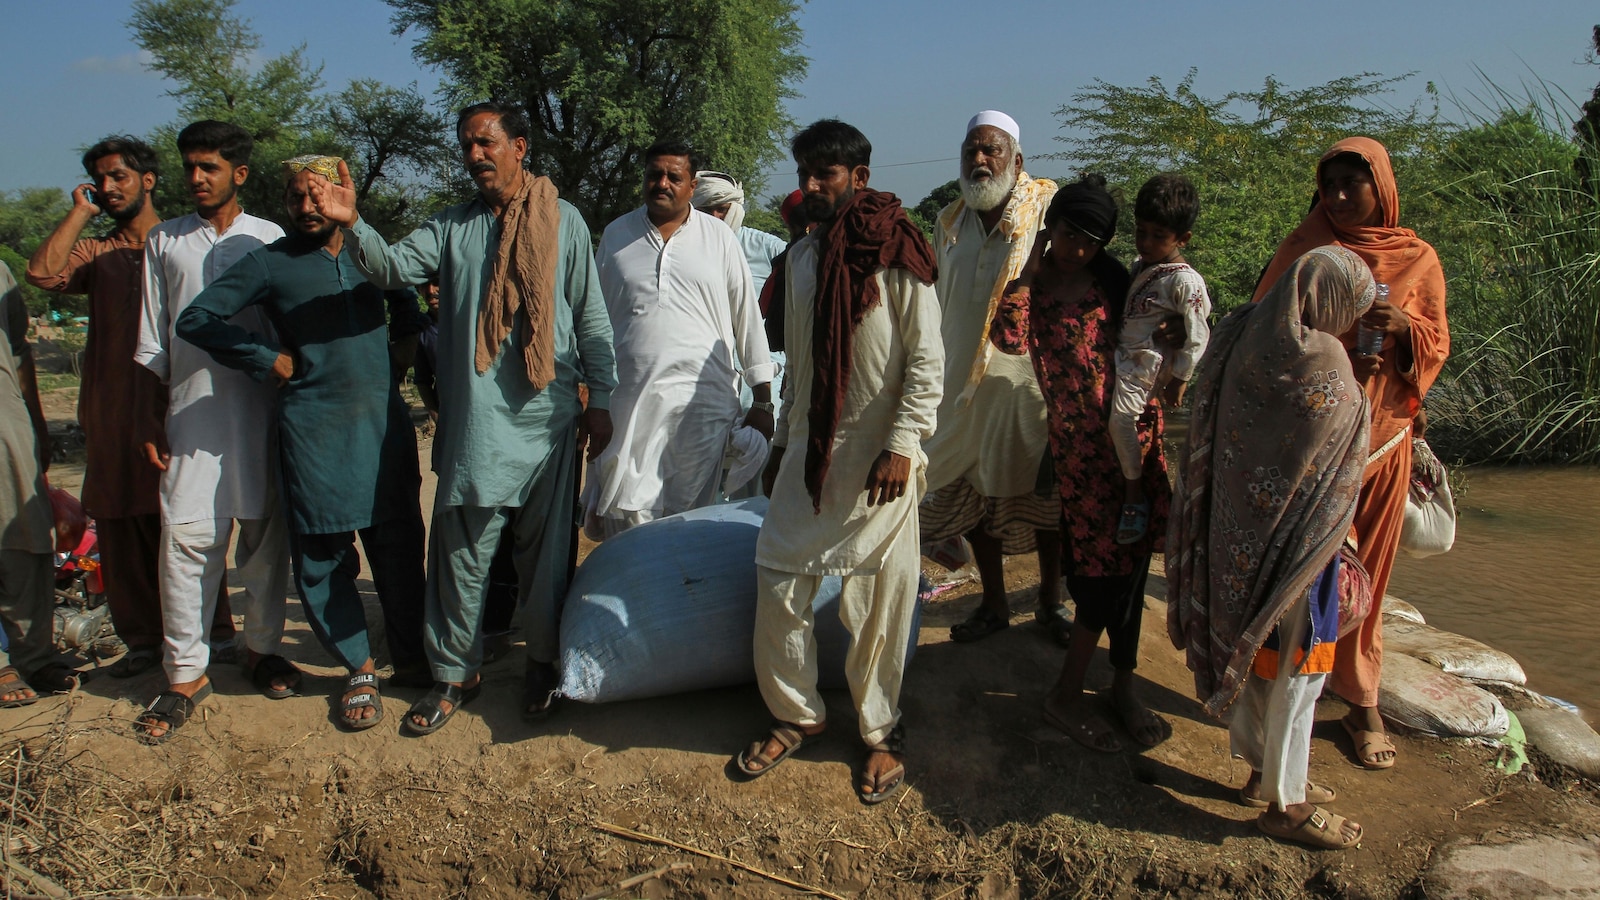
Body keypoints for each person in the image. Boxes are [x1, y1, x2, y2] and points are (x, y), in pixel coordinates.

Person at [308, 101, 617, 734]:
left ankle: (541, 660)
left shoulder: (566, 221)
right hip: (477, 422)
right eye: (466, 146)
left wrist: (602, 398)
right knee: (462, 556)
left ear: (520, 147)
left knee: (546, 555)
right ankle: (455, 673)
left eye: (486, 143)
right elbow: (392, 268)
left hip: (550, 418)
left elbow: (589, 315)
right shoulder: (451, 227)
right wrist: (352, 222)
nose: (475, 155)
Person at [175, 155, 433, 730]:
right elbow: (196, 319)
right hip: (313, 427)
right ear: (284, 206)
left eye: (319, 195)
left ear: (341, 198)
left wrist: (402, 355)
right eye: (296, 197)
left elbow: (405, 299)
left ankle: (412, 659)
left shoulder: (371, 255)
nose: (309, 206)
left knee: (396, 542)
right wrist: (266, 358)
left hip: (383, 426)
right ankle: (359, 665)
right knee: (323, 552)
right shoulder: (270, 263)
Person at [734, 119, 943, 804]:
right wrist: (787, 445)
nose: (811, 185)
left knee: (879, 599)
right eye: (804, 174)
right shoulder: (798, 261)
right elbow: (801, 368)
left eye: (825, 173)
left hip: (885, 460)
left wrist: (904, 446)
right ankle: (798, 714)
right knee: (777, 576)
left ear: (860, 177)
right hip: (815, 453)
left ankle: (880, 732)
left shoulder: (897, 250)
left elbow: (925, 361)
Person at [1251, 137, 1449, 770]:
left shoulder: (1416, 260)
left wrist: (1403, 332)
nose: (1336, 197)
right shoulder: (1304, 250)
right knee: (1301, 576)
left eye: (1350, 185)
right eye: (1328, 185)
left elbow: (1437, 342)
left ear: (1380, 188)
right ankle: (1285, 706)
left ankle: (1361, 699)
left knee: (1371, 578)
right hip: (1309, 443)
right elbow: (1261, 333)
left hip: (1384, 437)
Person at [1168, 245, 1375, 850]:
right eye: (1353, 307)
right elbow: (1336, 454)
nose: (1354, 320)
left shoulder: (1240, 333)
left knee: (1257, 655)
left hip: (1236, 539)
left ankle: (1264, 775)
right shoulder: (1326, 358)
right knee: (1302, 668)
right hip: (1299, 547)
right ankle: (1287, 806)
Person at [26, 136, 239, 677]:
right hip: (112, 411)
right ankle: (143, 641)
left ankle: (214, 634)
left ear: (147, 181)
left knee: (184, 521)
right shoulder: (97, 253)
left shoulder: (179, 243)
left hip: (180, 402)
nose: (108, 187)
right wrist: (79, 212)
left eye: (119, 176)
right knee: (119, 522)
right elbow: (44, 274)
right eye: (100, 179)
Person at [990, 176, 1169, 753]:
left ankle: (1121, 684)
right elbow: (1009, 341)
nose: (1079, 248)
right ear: (1050, 231)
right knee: (1096, 575)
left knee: (1134, 565)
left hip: (1138, 443)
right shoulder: (1033, 290)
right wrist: (1029, 275)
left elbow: (1162, 337)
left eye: (1092, 239)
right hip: (1082, 457)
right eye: (1069, 233)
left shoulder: (1116, 281)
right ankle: (1065, 695)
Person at [132, 120, 291, 742]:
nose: (197, 179)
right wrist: (153, 418)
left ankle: (260, 650)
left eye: (210, 168)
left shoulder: (271, 239)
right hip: (189, 416)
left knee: (264, 542)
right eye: (190, 168)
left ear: (239, 174)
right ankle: (185, 674)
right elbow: (153, 339)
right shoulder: (165, 242)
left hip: (261, 417)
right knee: (186, 544)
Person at [917, 110, 1066, 645]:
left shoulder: (1048, 211)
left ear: (1017, 160)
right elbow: (935, 302)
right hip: (959, 385)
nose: (979, 161)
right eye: (971, 152)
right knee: (972, 495)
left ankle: (1051, 602)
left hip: (1027, 386)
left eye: (991, 151)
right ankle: (995, 602)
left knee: (1044, 501)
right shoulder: (948, 222)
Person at [587, 142, 774, 537]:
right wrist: (590, 391)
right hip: (630, 403)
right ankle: (635, 596)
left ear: (692, 186)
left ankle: (682, 594)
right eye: (654, 175)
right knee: (630, 511)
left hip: (703, 403)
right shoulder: (617, 235)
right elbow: (594, 319)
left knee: (693, 515)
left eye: (674, 177)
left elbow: (747, 316)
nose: (662, 183)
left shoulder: (719, 238)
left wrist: (762, 398)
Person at [1110, 174, 1211, 545]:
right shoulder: (1142, 266)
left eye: (1158, 235)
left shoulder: (1185, 281)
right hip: (1125, 359)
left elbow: (1198, 332)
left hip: (1146, 365)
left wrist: (1180, 378)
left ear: (1182, 239)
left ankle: (1134, 496)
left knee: (1121, 422)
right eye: (1142, 231)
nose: (1146, 242)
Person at [0, 265, 79, 707]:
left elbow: (17, 350)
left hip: (5, 416)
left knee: (25, 534)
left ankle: (34, 654)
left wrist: (35, 424)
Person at [692, 170, 789, 298]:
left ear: (734, 209)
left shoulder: (769, 248)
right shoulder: (682, 248)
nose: (715, 217)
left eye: (722, 209)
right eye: (706, 210)